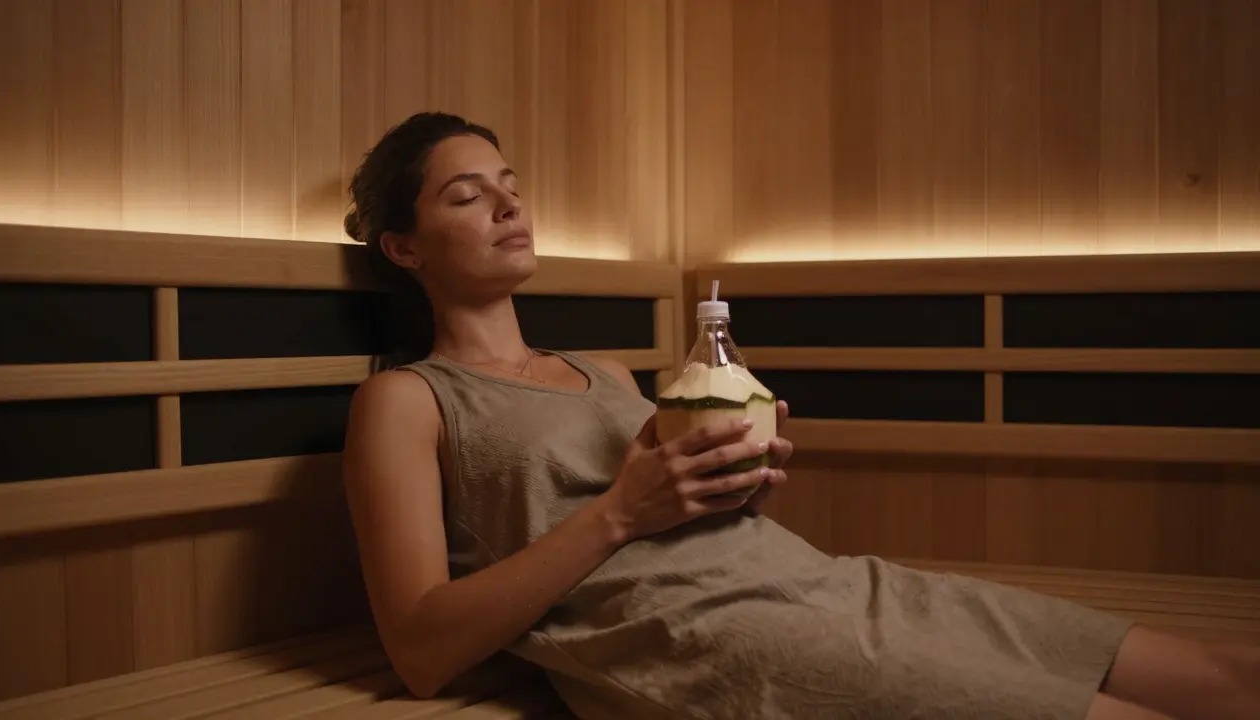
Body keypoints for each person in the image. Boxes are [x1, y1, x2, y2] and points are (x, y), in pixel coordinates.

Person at [339, 111, 1258, 720]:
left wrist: (739, 478)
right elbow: (421, 648)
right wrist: (620, 512)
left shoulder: (607, 372)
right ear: (404, 248)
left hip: (829, 584)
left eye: (510, 183)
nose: (509, 203)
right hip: (718, 645)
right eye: (468, 195)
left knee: (1226, 675)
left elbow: (681, 520)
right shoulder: (408, 400)